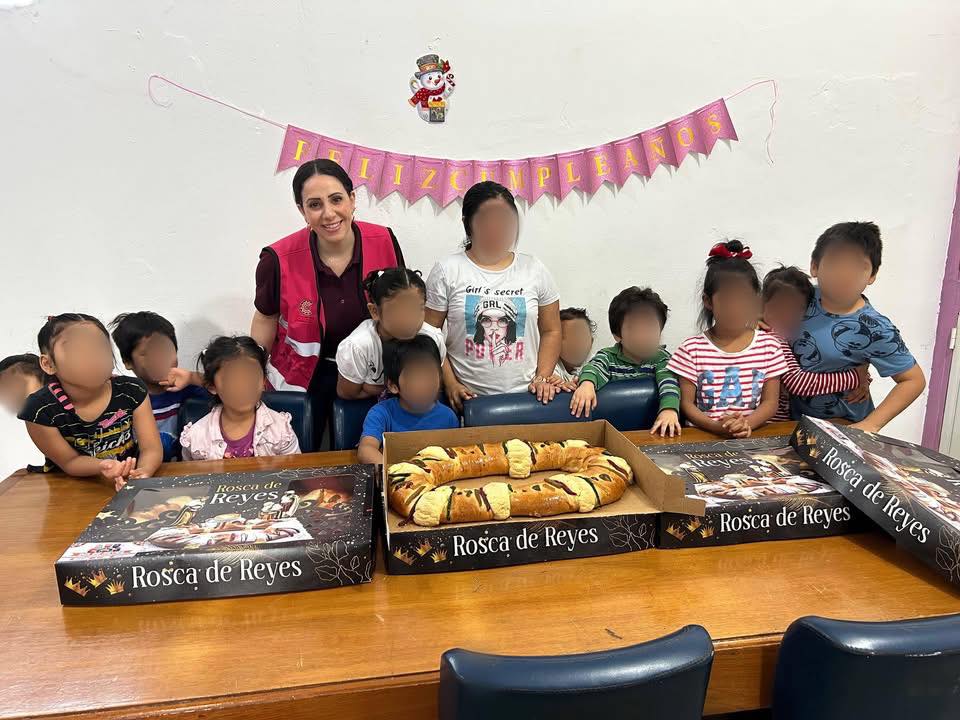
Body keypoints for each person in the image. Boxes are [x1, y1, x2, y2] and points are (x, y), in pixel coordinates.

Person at [250, 159, 404, 443]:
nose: (329, 213)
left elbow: (403, 302)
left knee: (370, 449)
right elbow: (265, 317)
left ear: (352, 199)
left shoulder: (384, 240)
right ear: (302, 211)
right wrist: (254, 371)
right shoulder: (277, 259)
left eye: (336, 199)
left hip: (371, 370)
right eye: (315, 204)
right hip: (304, 374)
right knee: (297, 453)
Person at [425, 181, 563, 411]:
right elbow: (429, 335)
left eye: (505, 220)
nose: (497, 228)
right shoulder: (447, 270)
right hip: (468, 401)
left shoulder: (534, 268)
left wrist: (542, 377)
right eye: (488, 220)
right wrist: (450, 383)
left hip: (528, 398)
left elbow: (552, 330)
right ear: (468, 223)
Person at [791, 221, 925, 432]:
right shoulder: (798, 296)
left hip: (842, 425)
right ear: (815, 266)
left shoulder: (875, 328)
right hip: (789, 422)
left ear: (872, 275)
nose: (845, 273)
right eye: (836, 262)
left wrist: (870, 425)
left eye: (858, 266)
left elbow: (913, 380)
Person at [19, 314, 162, 489]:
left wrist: (142, 473)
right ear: (48, 364)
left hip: (126, 483)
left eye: (99, 348)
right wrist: (102, 466)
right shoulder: (39, 410)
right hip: (70, 489)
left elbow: (151, 448)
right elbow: (70, 461)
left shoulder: (132, 390)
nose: (91, 359)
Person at [668, 241, 788, 438]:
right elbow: (687, 404)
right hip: (704, 437)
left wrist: (746, 425)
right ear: (708, 301)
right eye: (727, 299)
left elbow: (770, 403)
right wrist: (716, 427)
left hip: (752, 437)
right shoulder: (691, 349)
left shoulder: (769, 347)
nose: (736, 307)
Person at [760, 266, 870, 421]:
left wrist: (862, 371)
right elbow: (797, 383)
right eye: (777, 307)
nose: (785, 315)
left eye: (795, 309)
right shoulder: (773, 337)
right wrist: (854, 377)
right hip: (771, 423)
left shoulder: (793, 336)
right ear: (761, 306)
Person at [570, 287, 682, 437]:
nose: (644, 336)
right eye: (635, 328)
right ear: (618, 335)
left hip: (652, 431)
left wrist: (669, 410)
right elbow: (594, 368)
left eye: (650, 327)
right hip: (615, 432)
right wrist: (587, 384)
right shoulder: (609, 356)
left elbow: (669, 383)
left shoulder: (661, 358)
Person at [180, 336, 301, 461]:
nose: (242, 387)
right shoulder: (195, 436)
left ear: (263, 381)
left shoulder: (281, 430)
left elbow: (295, 469)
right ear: (212, 386)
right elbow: (188, 472)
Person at [110, 311, 208, 461]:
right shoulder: (125, 396)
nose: (158, 359)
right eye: (146, 354)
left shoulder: (188, 389)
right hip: (138, 469)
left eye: (164, 350)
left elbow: (225, 387)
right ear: (128, 362)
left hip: (182, 470)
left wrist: (192, 377)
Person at [336, 268, 445, 399]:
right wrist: (392, 389)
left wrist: (370, 386)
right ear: (375, 311)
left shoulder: (432, 338)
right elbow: (347, 392)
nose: (408, 320)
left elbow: (435, 381)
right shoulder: (358, 347)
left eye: (417, 308)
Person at [357, 335, 459, 465]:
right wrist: (396, 472)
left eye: (429, 375)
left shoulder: (448, 417)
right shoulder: (382, 413)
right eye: (414, 377)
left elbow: (455, 457)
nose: (423, 385)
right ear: (393, 386)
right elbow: (366, 450)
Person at [555, 308, 595, 390]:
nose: (574, 343)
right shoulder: (551, 366)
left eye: (581, 338)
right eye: (566, 337)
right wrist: (556, 383)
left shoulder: (598, 362)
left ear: (591, 342)